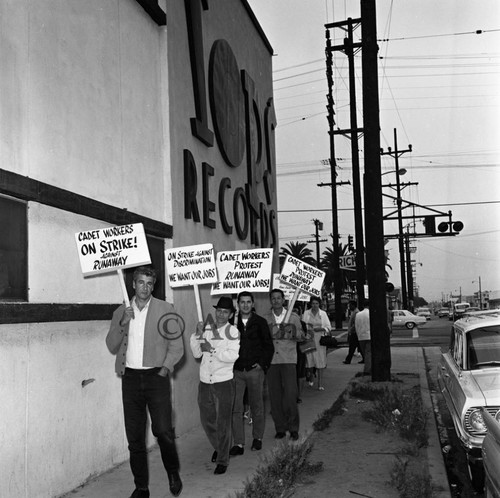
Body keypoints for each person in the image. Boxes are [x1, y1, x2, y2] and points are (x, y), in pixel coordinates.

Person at [106, 266, 184, 498]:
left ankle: (172, 471)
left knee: (163, 430)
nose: (145, 288)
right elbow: (111, 345)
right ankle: (141, 487)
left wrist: (165, 369)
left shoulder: (165, 309)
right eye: (141, 282)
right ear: (133, 284)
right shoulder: (121, 310)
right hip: (129, 378)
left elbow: (176, 346)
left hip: (155, 377)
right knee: (135, 437)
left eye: (149, 283)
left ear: (154, 285)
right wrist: (123, 322)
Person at [190, 296, 240, 475]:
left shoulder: (233, 332)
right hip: (205, 381)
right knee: (207, 420)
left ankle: (223, 460)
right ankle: (220, 447)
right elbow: (196, 353)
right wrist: (197, 335)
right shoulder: (207, 329)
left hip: (223, 382)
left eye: (225, 312)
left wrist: (212, 349)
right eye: (218, 311)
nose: (220, 314)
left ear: (230, 314)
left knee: (223, 421)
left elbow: (232, 356)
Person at [229, 291, 274, 456]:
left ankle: (258, 438)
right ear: (238, 304)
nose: (245, 305)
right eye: (242, 302)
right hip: (237, 371)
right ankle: (238, 443)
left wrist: (262, 365)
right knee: (236, 408)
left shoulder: (260, 322)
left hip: (255, 371)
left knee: (257, 405)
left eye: (248, 302)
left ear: (253, 304)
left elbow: (268, 346)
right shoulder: (231, 323)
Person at [263, 289, 308, 441]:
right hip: (272, 362)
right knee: (275, 397)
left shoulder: (293, 317)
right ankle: (280, 428)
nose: (276, 301)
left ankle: (293, 428)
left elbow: (302, 337)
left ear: (283, 300)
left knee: (290, 396)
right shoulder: (265, 318)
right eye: (273, 298)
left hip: (288, 360)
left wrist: (292, 332)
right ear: (270, 301)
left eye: (278, 298)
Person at [302, 296, 331, 390]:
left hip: (319, 340)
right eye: (313, 303)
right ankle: (310, 377)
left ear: (319, 304)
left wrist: (321, 329)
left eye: (316, 303)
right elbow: (302, 326)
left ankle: (320, 383)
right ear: (310, 304)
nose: (314, 305)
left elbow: (328, 327)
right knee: (309, 360)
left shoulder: (323, 314)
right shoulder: (306, 313)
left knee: (320, 361)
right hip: (309, 339)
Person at [355, 300, 371, 375]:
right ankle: (367, 369)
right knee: (369, 353)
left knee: (365, 353)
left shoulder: (358, 314)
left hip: (361, 336)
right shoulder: (371, 314)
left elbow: (356, 326)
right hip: (369, 335)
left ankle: (367, 366)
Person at [343, 300, 361, 364]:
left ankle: (348, 359)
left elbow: (355, 323)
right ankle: (364, 358)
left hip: (354, 332)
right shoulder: (354, 312)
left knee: (352, 347)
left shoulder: (356, 312)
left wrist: (351, 330)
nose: (349, 307)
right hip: (355, 332)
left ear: (353, 305)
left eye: (350, 305)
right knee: (358, 346)